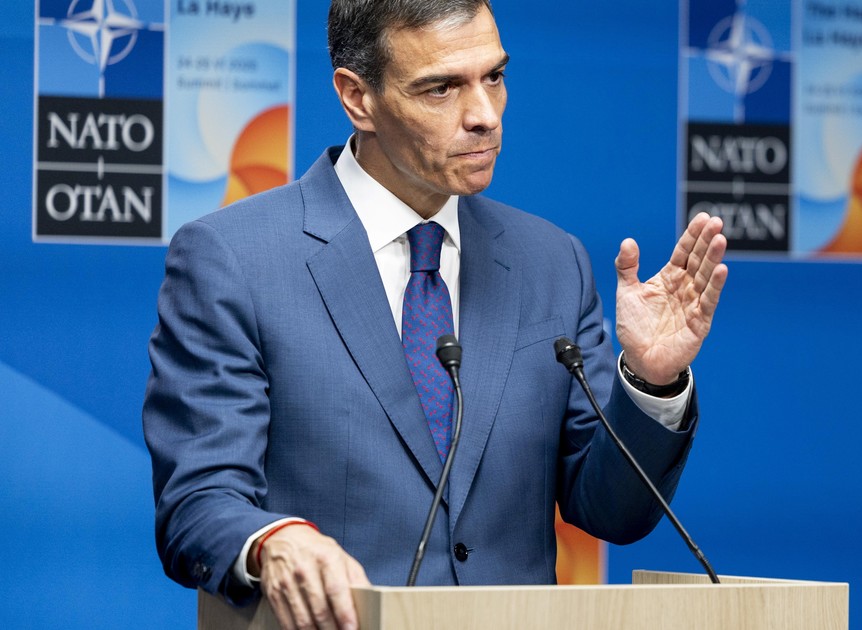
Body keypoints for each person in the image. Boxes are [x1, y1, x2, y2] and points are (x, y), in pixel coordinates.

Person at [143, 1, 727, 629]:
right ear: (358, 98)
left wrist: (652, 382)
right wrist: (273, 542)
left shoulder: (552, 263)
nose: (484, 115)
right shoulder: (235, 259)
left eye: (494, 77)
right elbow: (199, 501)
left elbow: (613, 511)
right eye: (441, 88)